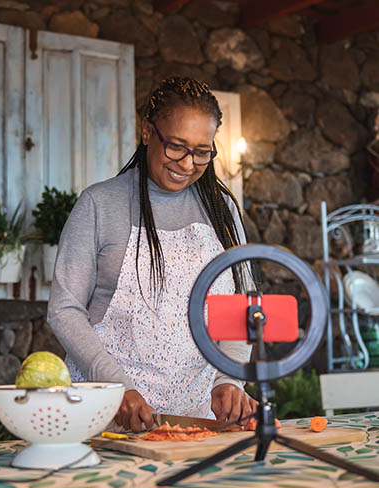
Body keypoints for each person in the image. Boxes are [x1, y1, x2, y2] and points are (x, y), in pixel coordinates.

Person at [47, 76, 257, 432]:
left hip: (196, 423)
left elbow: (239, 306)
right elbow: (64, 309)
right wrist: (115, 387)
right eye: (176, 146)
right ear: (147, 132)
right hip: (104, 413)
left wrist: (228, 380)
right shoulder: (100, 203)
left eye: (202, 151)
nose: (188, 164)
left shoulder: (223, 210)